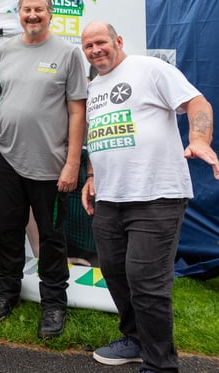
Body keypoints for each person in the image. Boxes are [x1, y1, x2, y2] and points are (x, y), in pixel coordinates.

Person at [80, 21, 219, 373]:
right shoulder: (93, 86)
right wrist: (92, 176)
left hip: (157, 195)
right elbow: (99, 135)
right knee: (114, 272)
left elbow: (197, 102)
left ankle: (160, 364)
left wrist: (200, 140)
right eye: (88, 46)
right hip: (111, 197)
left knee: (146, 280)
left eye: (101, 42)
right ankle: (134, 339)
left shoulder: (150, 69)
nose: (95, 50)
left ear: (118, 41)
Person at [0, 0, 87, 339]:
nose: (32, 15)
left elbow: (77, 110)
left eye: (39, 10)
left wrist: (73, 162)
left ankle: (54, 303)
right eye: (27, 9)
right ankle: (6, 294)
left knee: (52, 237)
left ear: (50, 13)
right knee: (8, 232)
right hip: (10, 156)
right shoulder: (5, 50)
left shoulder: (69, 53)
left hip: (51, 164)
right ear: (19, 13)